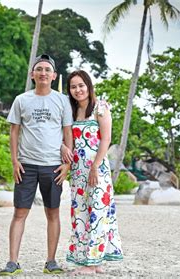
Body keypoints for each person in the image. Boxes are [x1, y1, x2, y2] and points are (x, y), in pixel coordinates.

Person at [0, 54, 73, 276]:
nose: (43, 73)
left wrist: (66, 165)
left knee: (53, 213)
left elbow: (67, 132)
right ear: (33, 74)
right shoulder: (22, 100)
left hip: (53, 167)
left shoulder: (62, 100)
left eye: (47, 70)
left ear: (54, 76)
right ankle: (13, 262)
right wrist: (14, 161)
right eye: (39, 69)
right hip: (27, 166)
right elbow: (14, 131)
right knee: (20, 213)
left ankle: (51, 261)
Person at [63, 70, 123, 275]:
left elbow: (106, 139)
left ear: (89, 86)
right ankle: (90, 261)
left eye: (81, 85)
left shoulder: (100, 108)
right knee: (80, 213)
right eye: (73, 87)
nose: (78, 90)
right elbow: (67, 140)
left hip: (97, 170)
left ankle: (93, 262)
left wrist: (95, 167)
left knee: (97, 213)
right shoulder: (71, 112)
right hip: (78, 172)